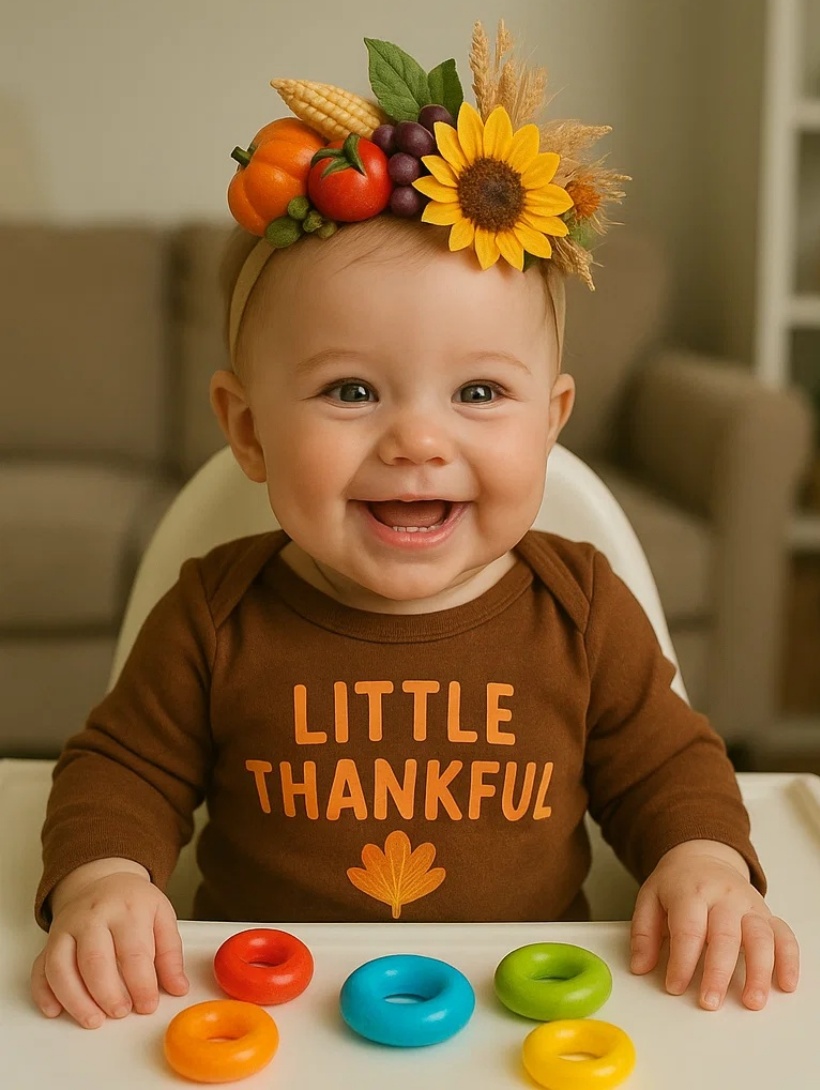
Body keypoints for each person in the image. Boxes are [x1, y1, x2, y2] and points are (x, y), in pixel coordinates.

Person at [31, 22, 799, 1032]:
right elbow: (118, 768)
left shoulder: (581, 608)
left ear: (550, 423)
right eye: (351, 389)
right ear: (248, 430)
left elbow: (668, 764)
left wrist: (702, 861)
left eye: (479, 390)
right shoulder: (215, 615)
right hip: (269, 1017)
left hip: (521, 1016)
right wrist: (104, 881)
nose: (418, 439)